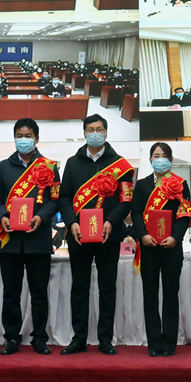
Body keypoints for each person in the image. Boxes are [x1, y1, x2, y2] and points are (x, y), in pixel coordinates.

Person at [59, 115, 135, 356]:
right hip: (78, 235)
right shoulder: (72, 163)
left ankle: (105, 339)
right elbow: (64, 197)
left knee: (107, 288)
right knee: (79, 288)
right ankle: (78, 339)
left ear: (106, 132)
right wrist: (71, 222)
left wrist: (112, 221)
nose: (95, 133)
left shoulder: (120, 164)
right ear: (84, 133)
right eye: (90, 129)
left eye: (99, 129)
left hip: (108, 235)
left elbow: (126, 200)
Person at [0, 118, 60, 355]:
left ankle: (39, 338)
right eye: (19, 135)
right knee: (11, 293)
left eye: (28, 135)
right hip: (10, 239)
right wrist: (2, 216)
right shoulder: (3, 167)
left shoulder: (49, 166)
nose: (24, 140)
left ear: (36, 138)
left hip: (38, 239)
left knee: (39, 293)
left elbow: (55, 199)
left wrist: (41, 217)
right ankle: (11, 337)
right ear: (14, 138)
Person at [131, 143, 191, 357]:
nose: (160, 159)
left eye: (164, 155)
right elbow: (136, 213)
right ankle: (154, 343)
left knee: (170, 294)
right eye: (156, 155)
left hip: (171, 248)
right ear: (150, 160)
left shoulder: (180, 184)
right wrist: (143, 235)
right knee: (150, 295)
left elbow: (185, 213)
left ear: (171, 159)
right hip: (148, 247)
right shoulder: (142, 185)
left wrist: (175, 237)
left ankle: (169, 343)